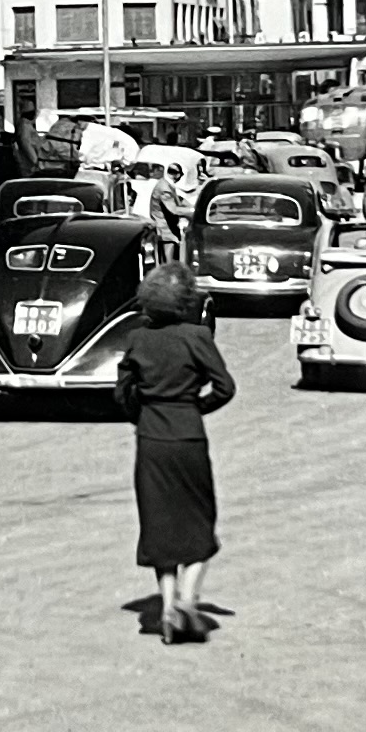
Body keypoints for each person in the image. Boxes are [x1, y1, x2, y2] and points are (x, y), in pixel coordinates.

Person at [116, 261, 239, 643]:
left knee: (160, 525)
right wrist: (193, 408)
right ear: (186, 301)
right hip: (188, 437)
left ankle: (168, 606)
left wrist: (143, 414)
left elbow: (122, 394)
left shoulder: (138, 339)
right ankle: (189, 596)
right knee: (200, 523)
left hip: (151, 440)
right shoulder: (198, 337)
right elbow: (225, 387)